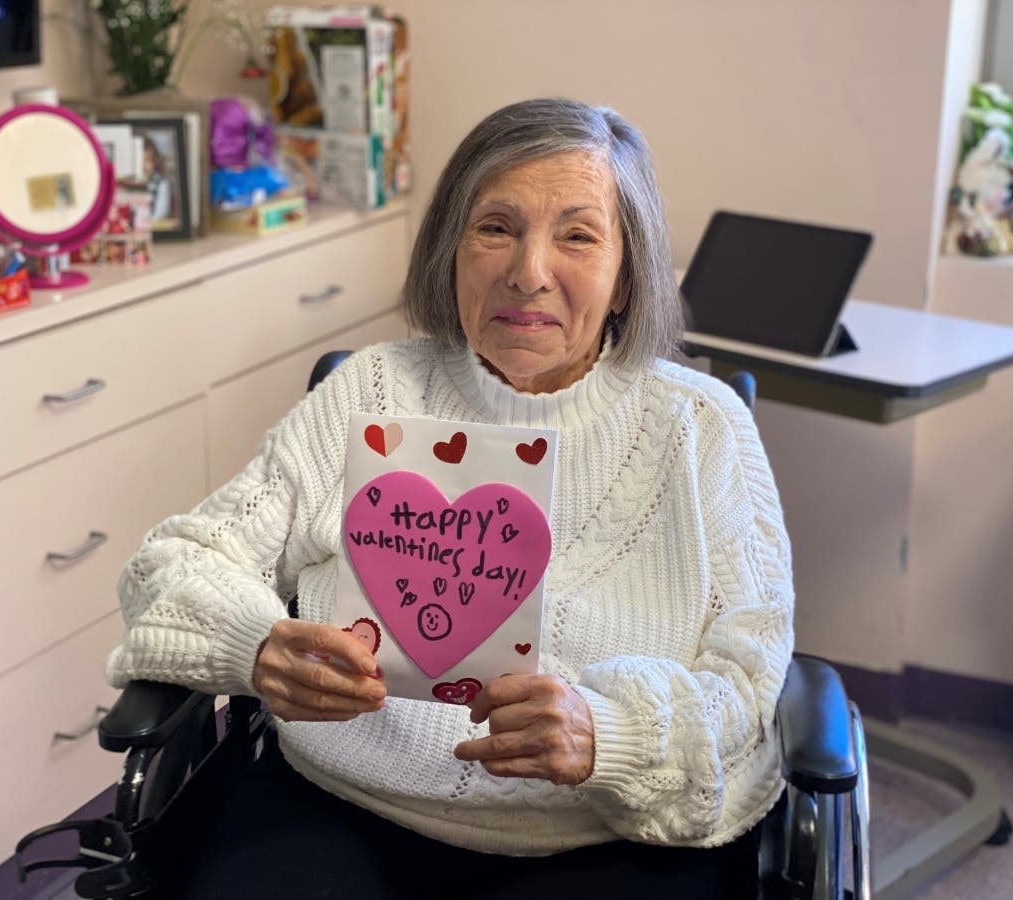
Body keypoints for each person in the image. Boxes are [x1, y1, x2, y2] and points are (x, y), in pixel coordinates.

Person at [106, 98, 794, 899]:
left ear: (626, 278)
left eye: (577, 236)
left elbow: (748, 678)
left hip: (600, 830)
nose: (528, 272)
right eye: (496, 227)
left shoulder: (703, 427)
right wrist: (254, 645)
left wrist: (610, 735)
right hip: (341, 802)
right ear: (450, 252)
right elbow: (174, 565)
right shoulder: (370, 393)